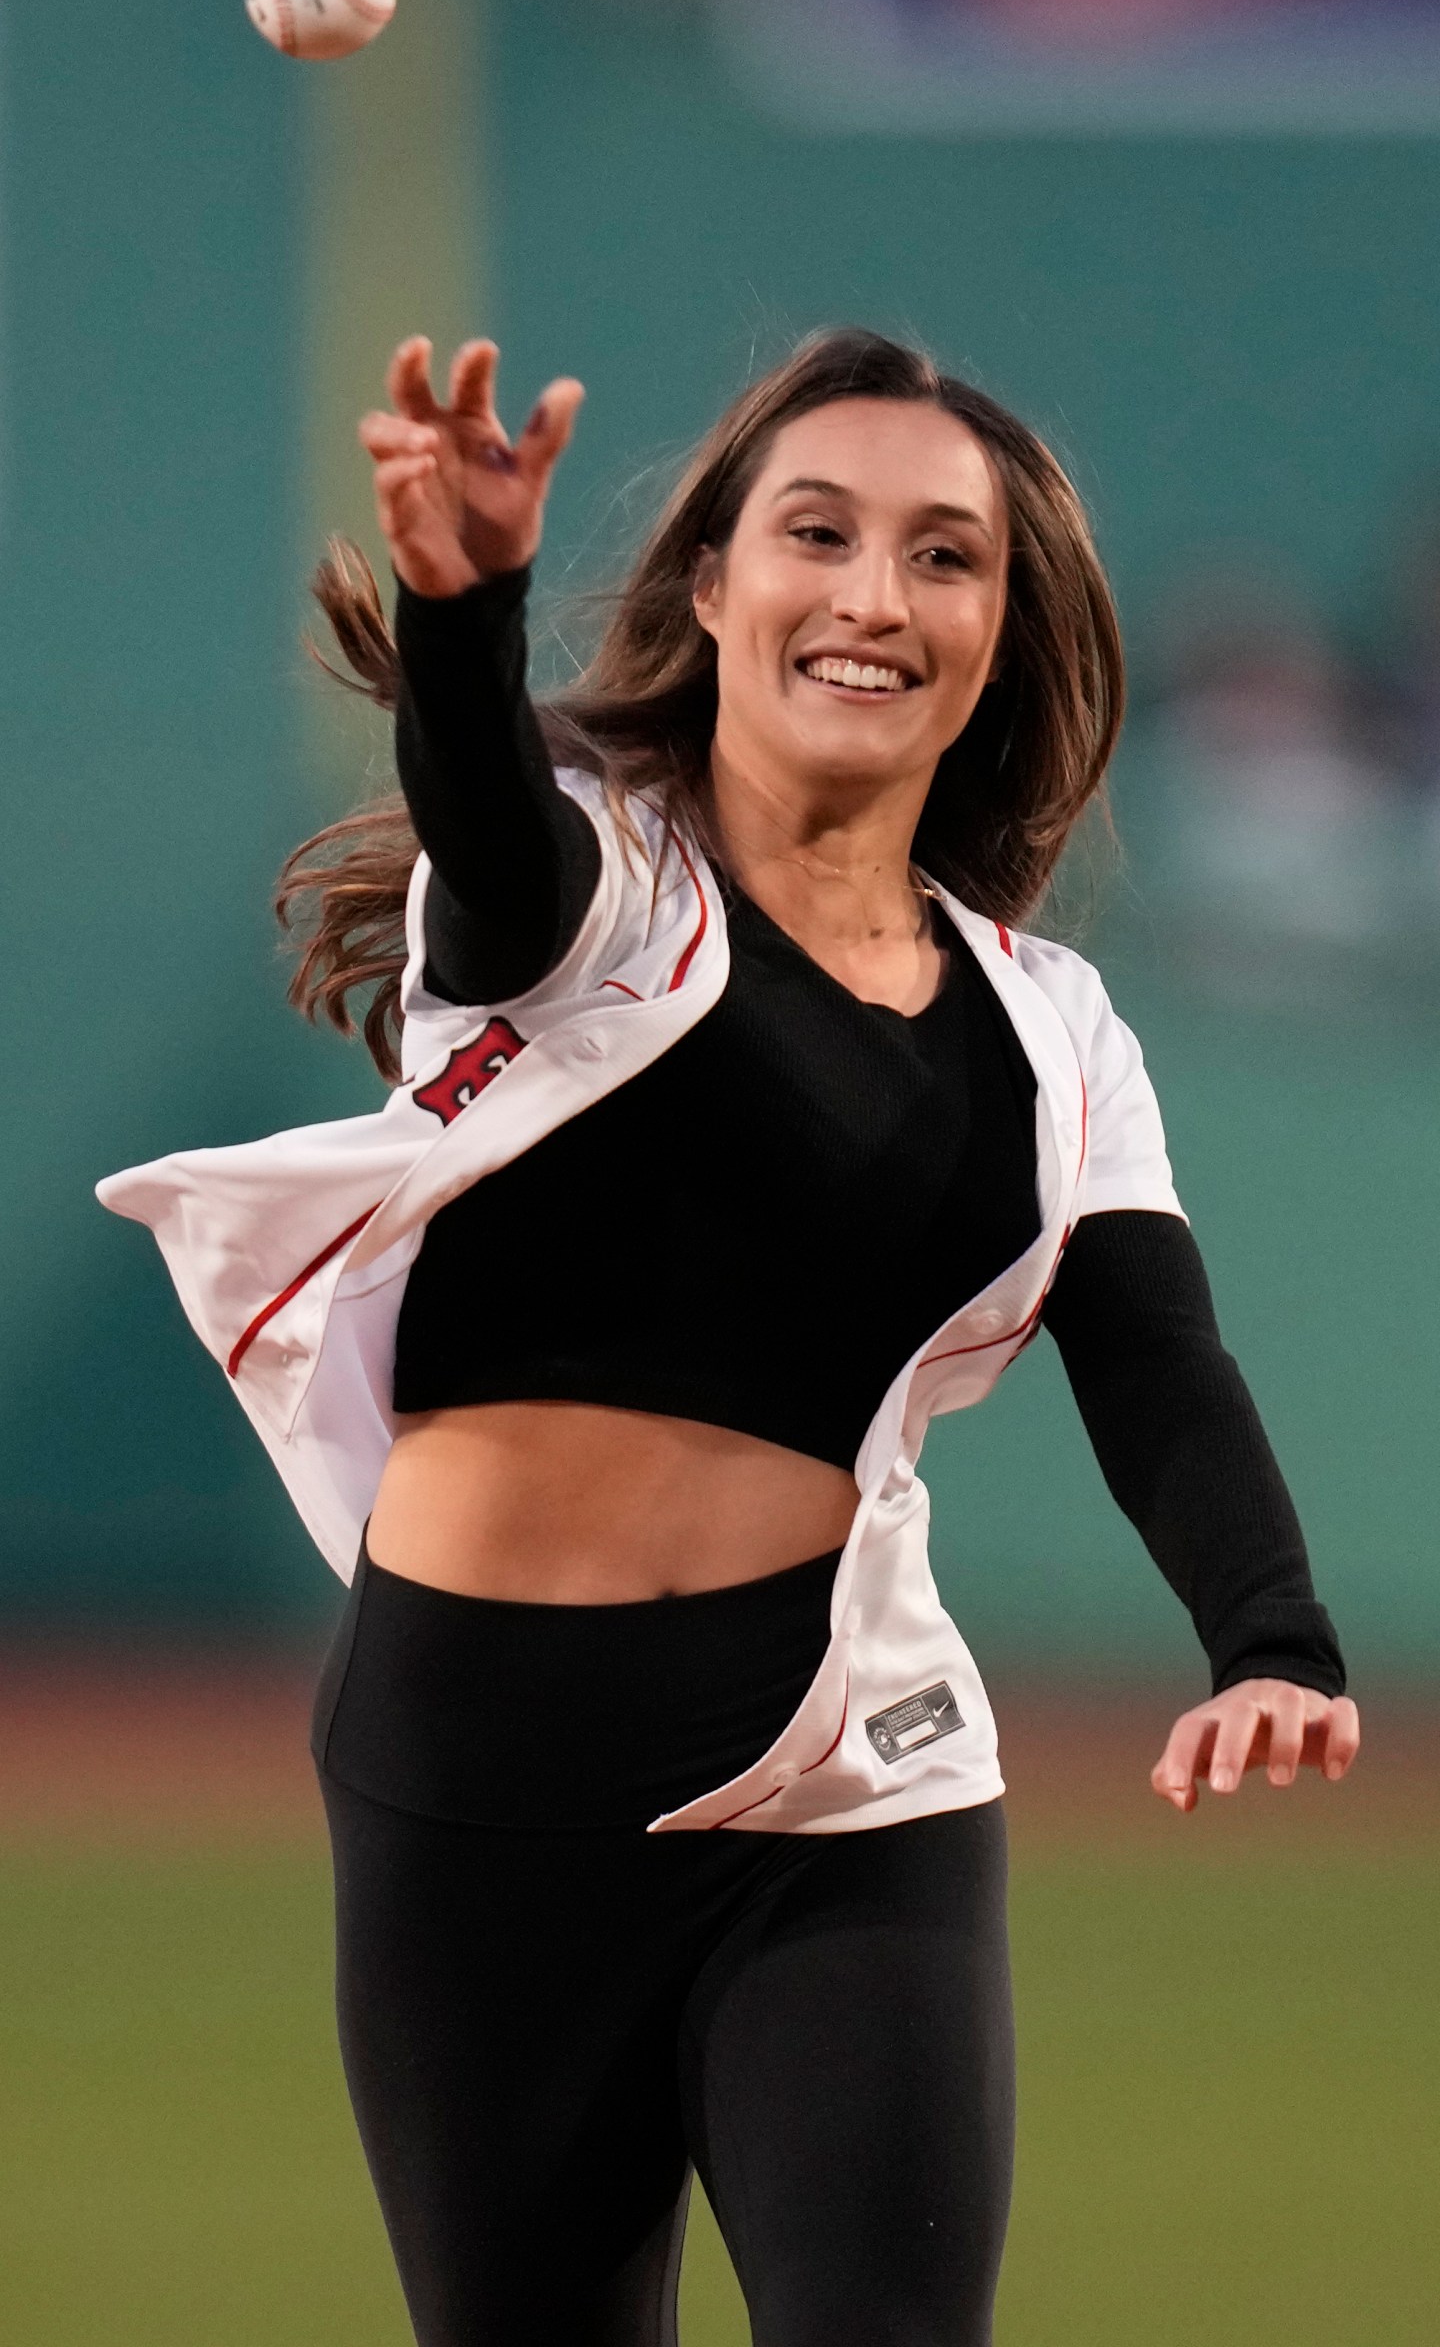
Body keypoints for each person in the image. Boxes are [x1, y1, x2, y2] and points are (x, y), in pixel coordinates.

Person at [99, 326, 1360, 2347]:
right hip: (477, 1773)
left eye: (946, 556)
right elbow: (488, 828)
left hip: (843, 1770)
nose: (876, 591)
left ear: (1000, 630)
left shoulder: (1051, 1027)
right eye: (820, 530)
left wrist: (1270, 1630)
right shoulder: (592, 884)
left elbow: (1155, 1355)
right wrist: (460, 608)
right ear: (716, 584)